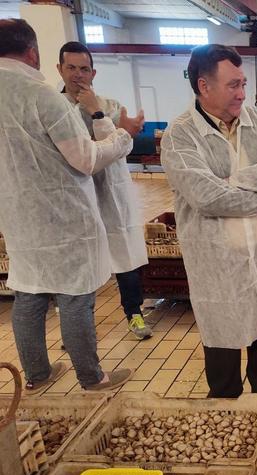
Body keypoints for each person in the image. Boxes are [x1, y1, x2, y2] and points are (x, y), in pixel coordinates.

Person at [0, 19, 143, 393]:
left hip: (18, 217)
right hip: (64, 218)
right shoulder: (42, 95)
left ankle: (37, 374)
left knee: (29, 293)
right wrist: (124, 134)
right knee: (75, 296)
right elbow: (86, 159)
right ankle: (91, 377)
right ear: (34, 54)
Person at [160, 44, 257, 417]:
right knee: (223, 346)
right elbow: (206, 196)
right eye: (233, 85)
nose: (242, 92)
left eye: (243, 83)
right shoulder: (180, 135)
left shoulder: (255, 120)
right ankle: (226, 407)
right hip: (217, 265)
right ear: (204, 86)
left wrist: (233, 179)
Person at [57, 41, 152, 340]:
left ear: (93, 72)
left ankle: (134, 314)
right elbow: (88, 156)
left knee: (124, 254)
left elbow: (121, 148)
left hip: (110, 193)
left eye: (84, 68)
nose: (77, 75)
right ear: (59, 69)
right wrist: (110, 140)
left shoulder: (108, 106)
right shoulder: (53, 108)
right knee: (78, 263)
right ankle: (76, 329)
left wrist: (97, 113)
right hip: (73, 196)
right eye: (71, 68)